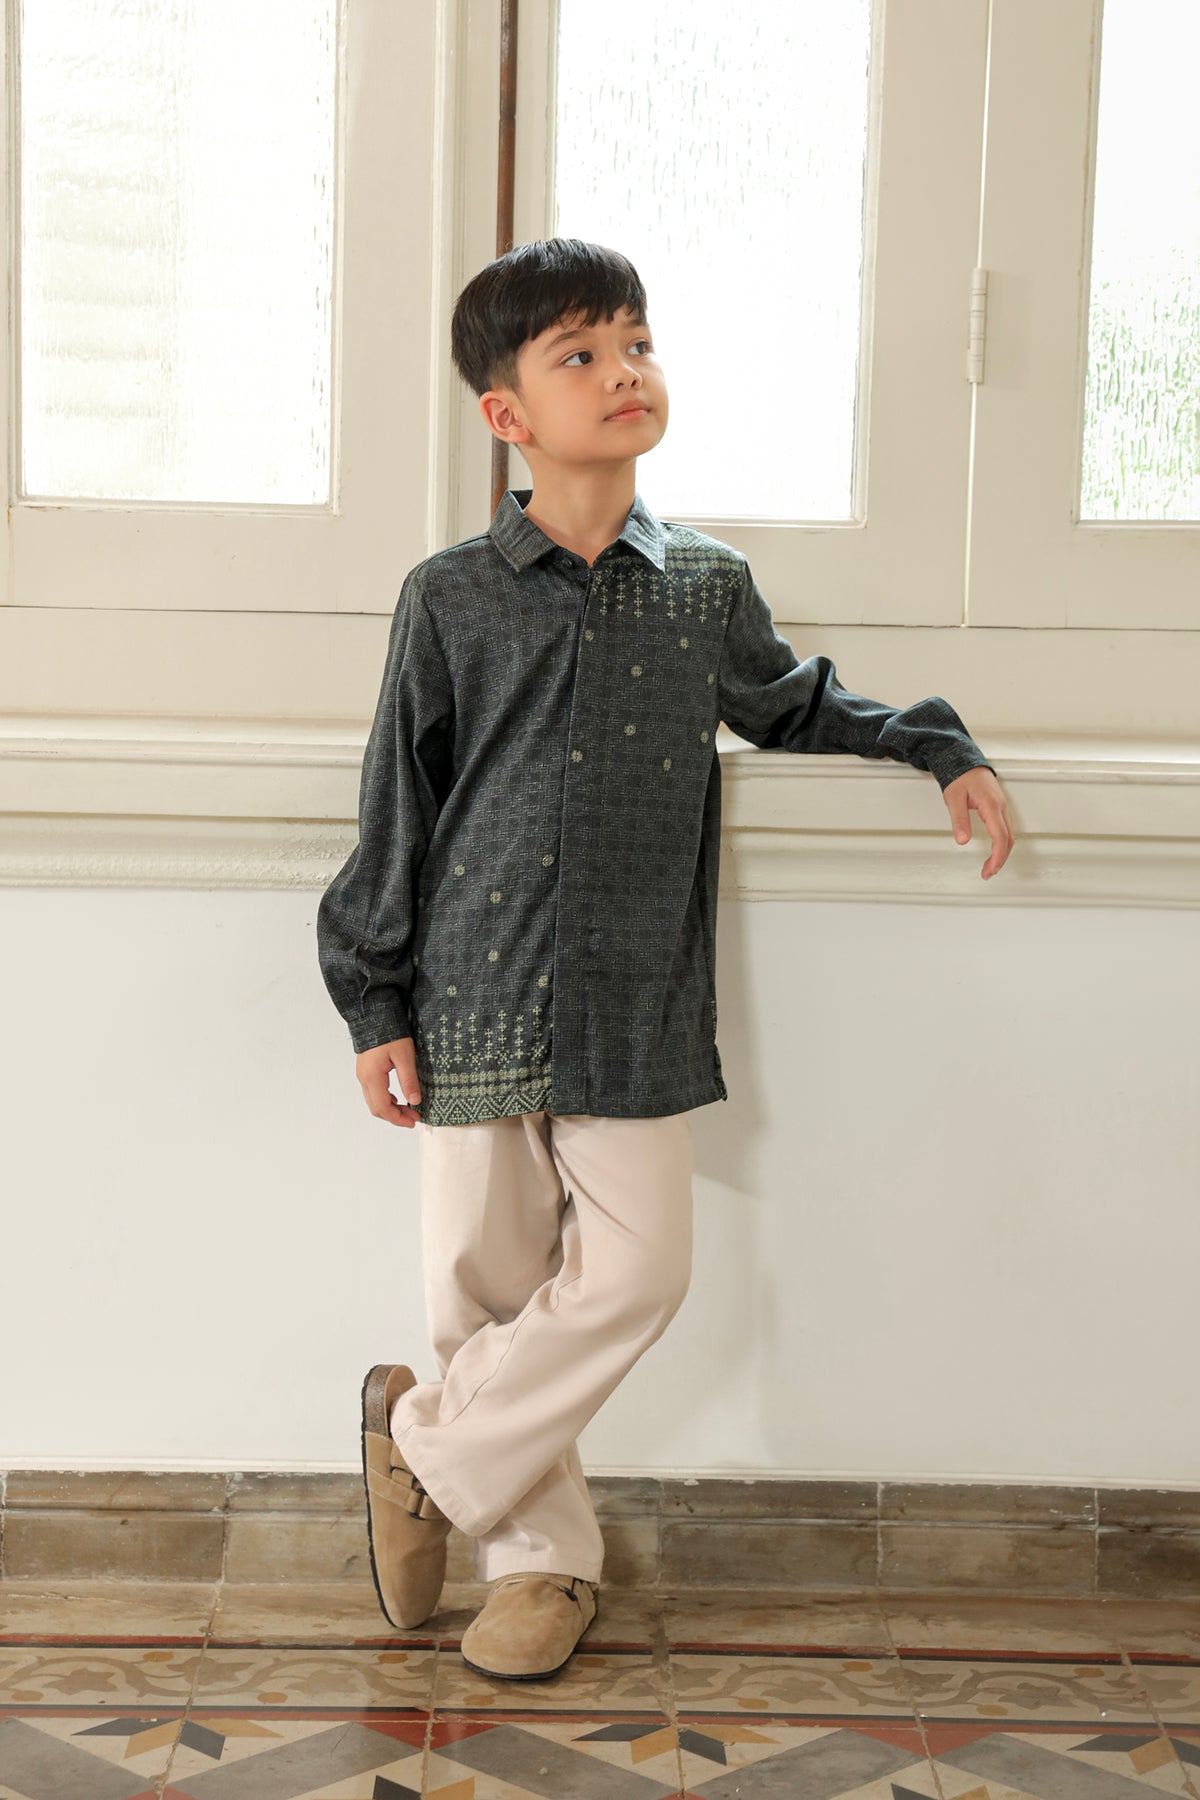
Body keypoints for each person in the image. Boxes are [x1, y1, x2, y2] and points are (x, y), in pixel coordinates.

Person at [316, 238, 1014, 1682]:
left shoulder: (702, 585)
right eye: (580, 354)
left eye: (636, 342)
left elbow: (796, 703)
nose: (624, 371)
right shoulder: (449, 595)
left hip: (634, 1000)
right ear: (506, 412)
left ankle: (418, 1450)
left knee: (638, 1272)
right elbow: (400, 802)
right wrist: (373, 997)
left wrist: (933, 743)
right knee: (487, 1290)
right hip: (471, 993)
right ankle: (542, 1566)